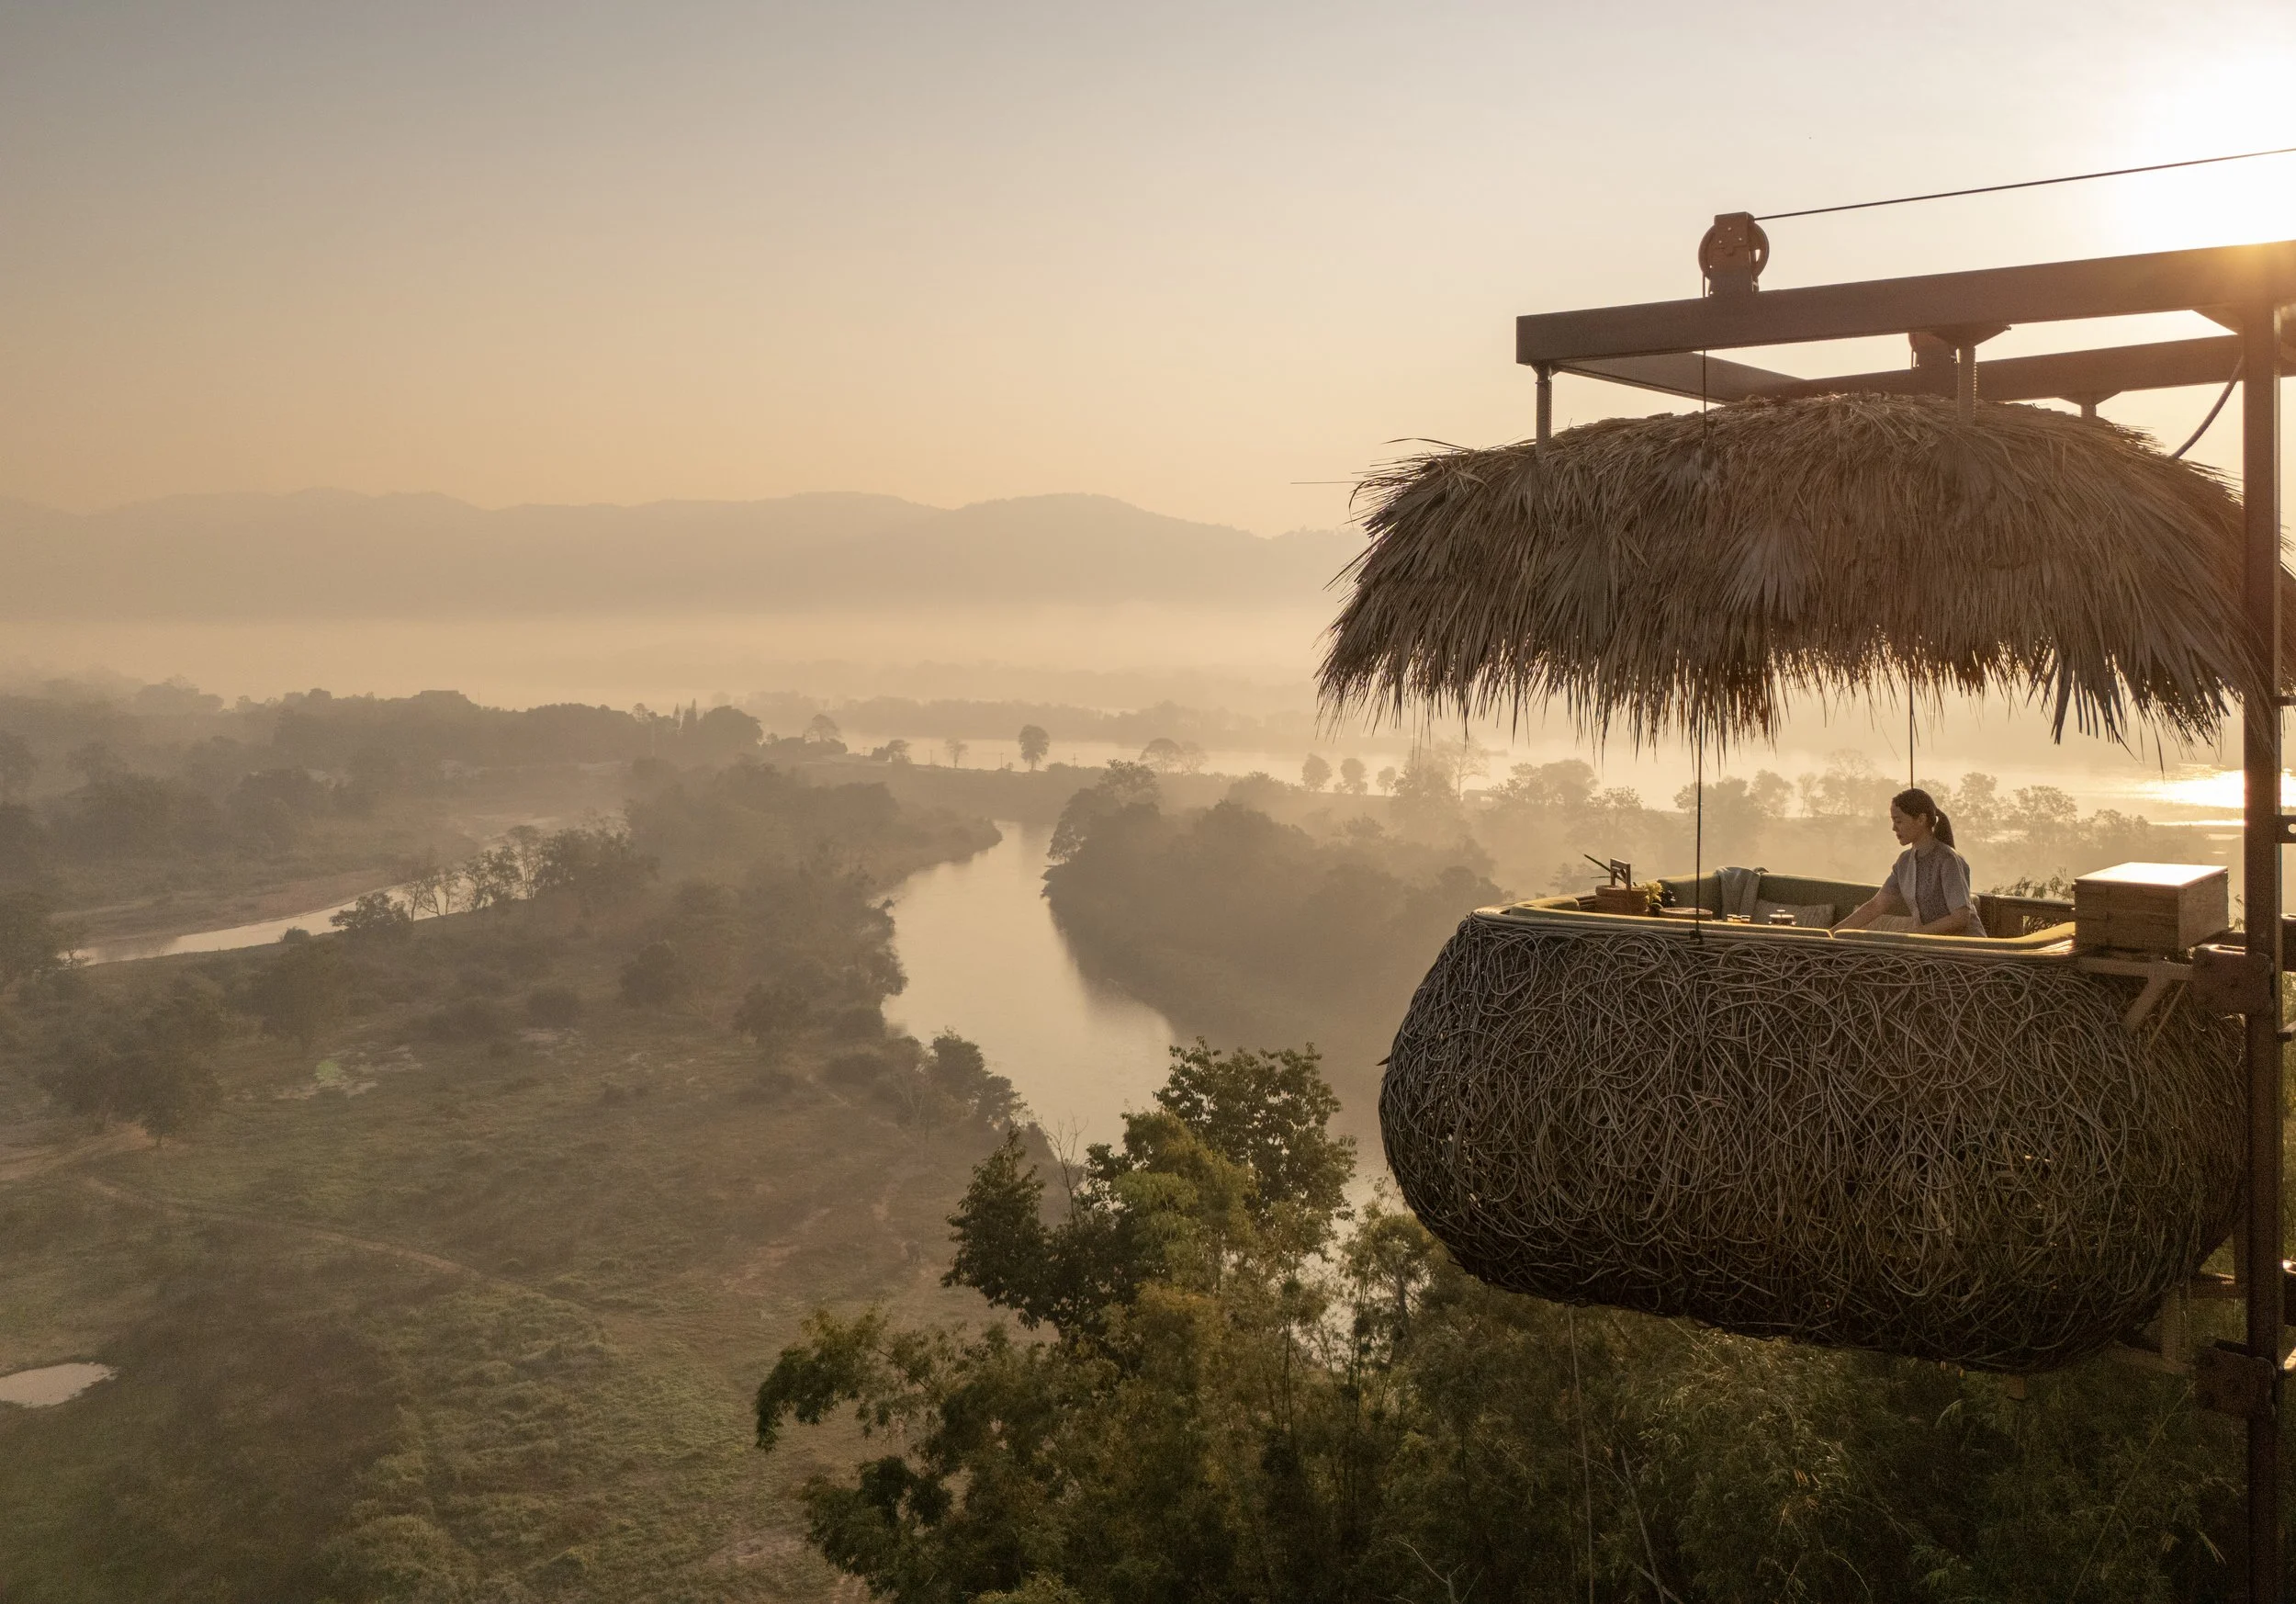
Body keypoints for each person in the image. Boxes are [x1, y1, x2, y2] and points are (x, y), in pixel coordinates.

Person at [1835, 787, 1987, 936]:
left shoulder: (1948, 860)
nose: (1894, 828)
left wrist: (1914, 934)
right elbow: (1876, 905)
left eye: (1899, 821)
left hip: (1966, 951)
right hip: (1929, 949)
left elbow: (1960, 918)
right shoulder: (1904, 862)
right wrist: (1832, 933)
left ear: (1921, 819)